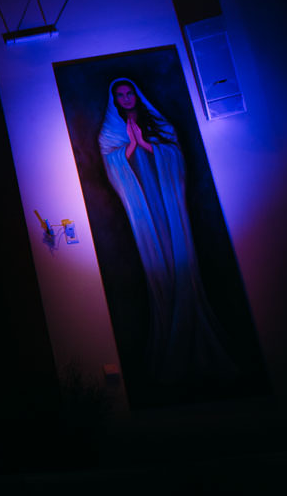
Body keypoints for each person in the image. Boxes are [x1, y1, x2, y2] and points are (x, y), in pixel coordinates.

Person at [98, 78, 236, 385]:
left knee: (180, 251)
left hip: (168, 203)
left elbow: (174, 152)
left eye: (129, 92)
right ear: (115, 101)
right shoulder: (111, 130)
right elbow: (111, 160)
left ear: (136, 93)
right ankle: (170, 322)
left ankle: (193, 321)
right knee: (158, 260)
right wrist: (130, 147)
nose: (126, 98)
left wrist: (147, 145)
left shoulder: (156, 120)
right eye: (120, 96)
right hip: (143, 209)